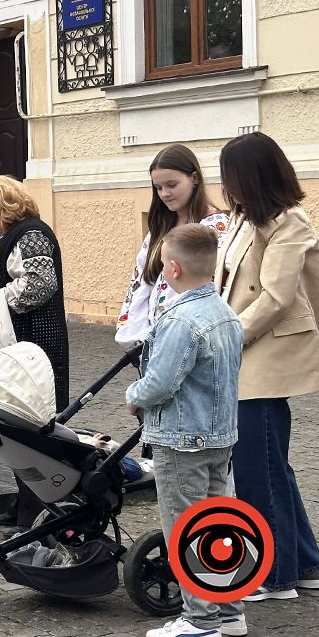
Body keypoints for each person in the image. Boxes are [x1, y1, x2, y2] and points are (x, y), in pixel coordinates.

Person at [125, 224, 246, 637]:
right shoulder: (226, 313)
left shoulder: (180, 319)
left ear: (173, 269)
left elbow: (160, 382)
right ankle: (230, 612)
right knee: (219, 524)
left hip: (181, 440)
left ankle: (200, 620)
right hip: (219, 437)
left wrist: (133, 394)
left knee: (186, 528)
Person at [215, 131, 319, 601]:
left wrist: (223, 337)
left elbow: (275, 298)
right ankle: (307, 563)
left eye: (234, 180)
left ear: (256, 177)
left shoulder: (289, 222)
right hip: (245, 351)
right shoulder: (244, 219)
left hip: (264, 354)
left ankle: (274, 575)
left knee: (260, 467)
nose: (228, 189)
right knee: (269, 464)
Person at [0, 176, 70, 530]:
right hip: (17, 347)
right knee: (13, 425)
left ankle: (39, 510)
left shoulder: (32, 234)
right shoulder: (8, 238)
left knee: (34, 427)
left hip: (35, 347)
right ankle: (25, 502)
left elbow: (40, 285)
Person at [117, 144, 228, 347]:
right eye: (158, 188)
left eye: (172, 185)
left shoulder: (214, 227)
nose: (165, 193)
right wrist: (136, 336)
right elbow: (140, 283)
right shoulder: (159, 229)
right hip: (153, 343)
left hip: (196, 341)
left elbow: (216, 287)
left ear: (194, 179)